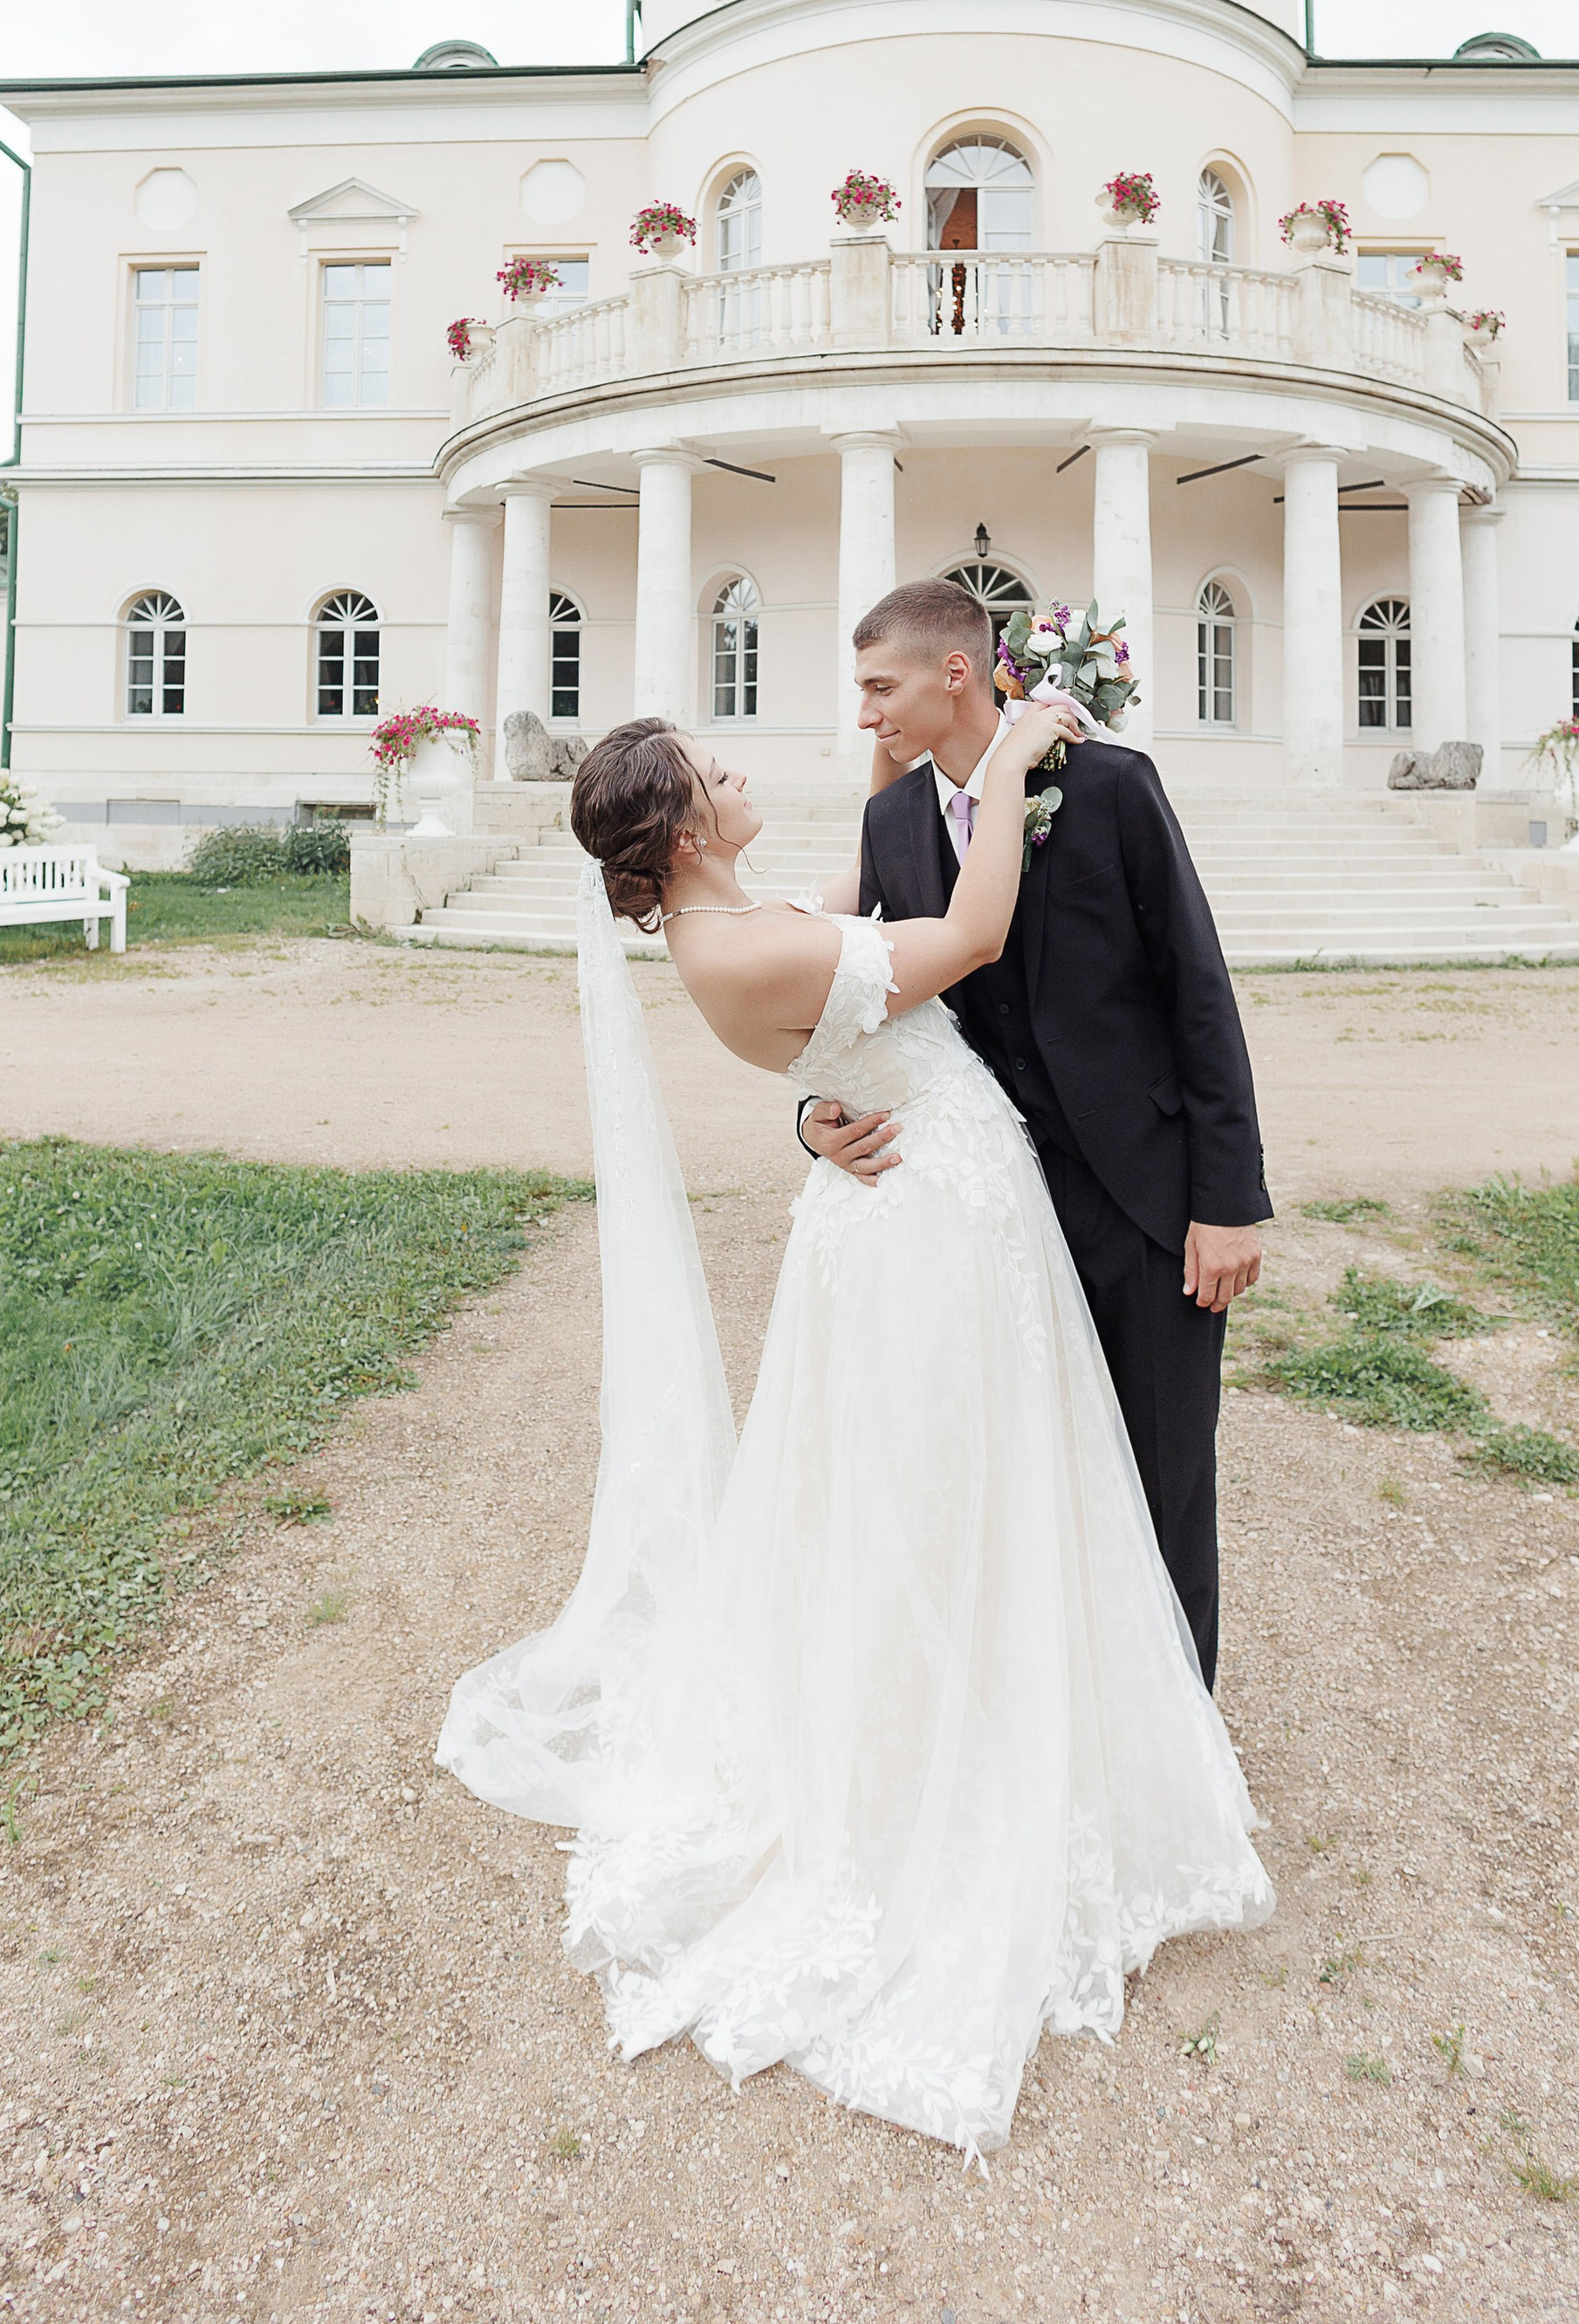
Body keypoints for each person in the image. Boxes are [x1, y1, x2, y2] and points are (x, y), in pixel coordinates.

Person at [437, 712, 1271, 2158]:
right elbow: (969, 933)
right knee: (929, 1499)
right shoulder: (734, 949)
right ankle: (943, 1772)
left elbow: (855, 948)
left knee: (961, 1489)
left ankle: (1016, 1712)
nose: (744, 775)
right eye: (720, 776)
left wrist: (925, 739)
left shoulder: (740, 916)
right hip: (921, 1233)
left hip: (929, 1202)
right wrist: (1007, 755)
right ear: (684, 832)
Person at [801, 578, 1272, 1688]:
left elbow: (1196, 989)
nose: (865, 714)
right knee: (1021, 1484)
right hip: (987, 1213)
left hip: (1144, 1201)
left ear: (954, 672)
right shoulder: (888, 824)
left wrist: (1225, 1202)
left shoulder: (1110, 785)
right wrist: (815, 1122)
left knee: (1161, 1482)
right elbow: (862, 999)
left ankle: (1177, 1732)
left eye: (880, 687)